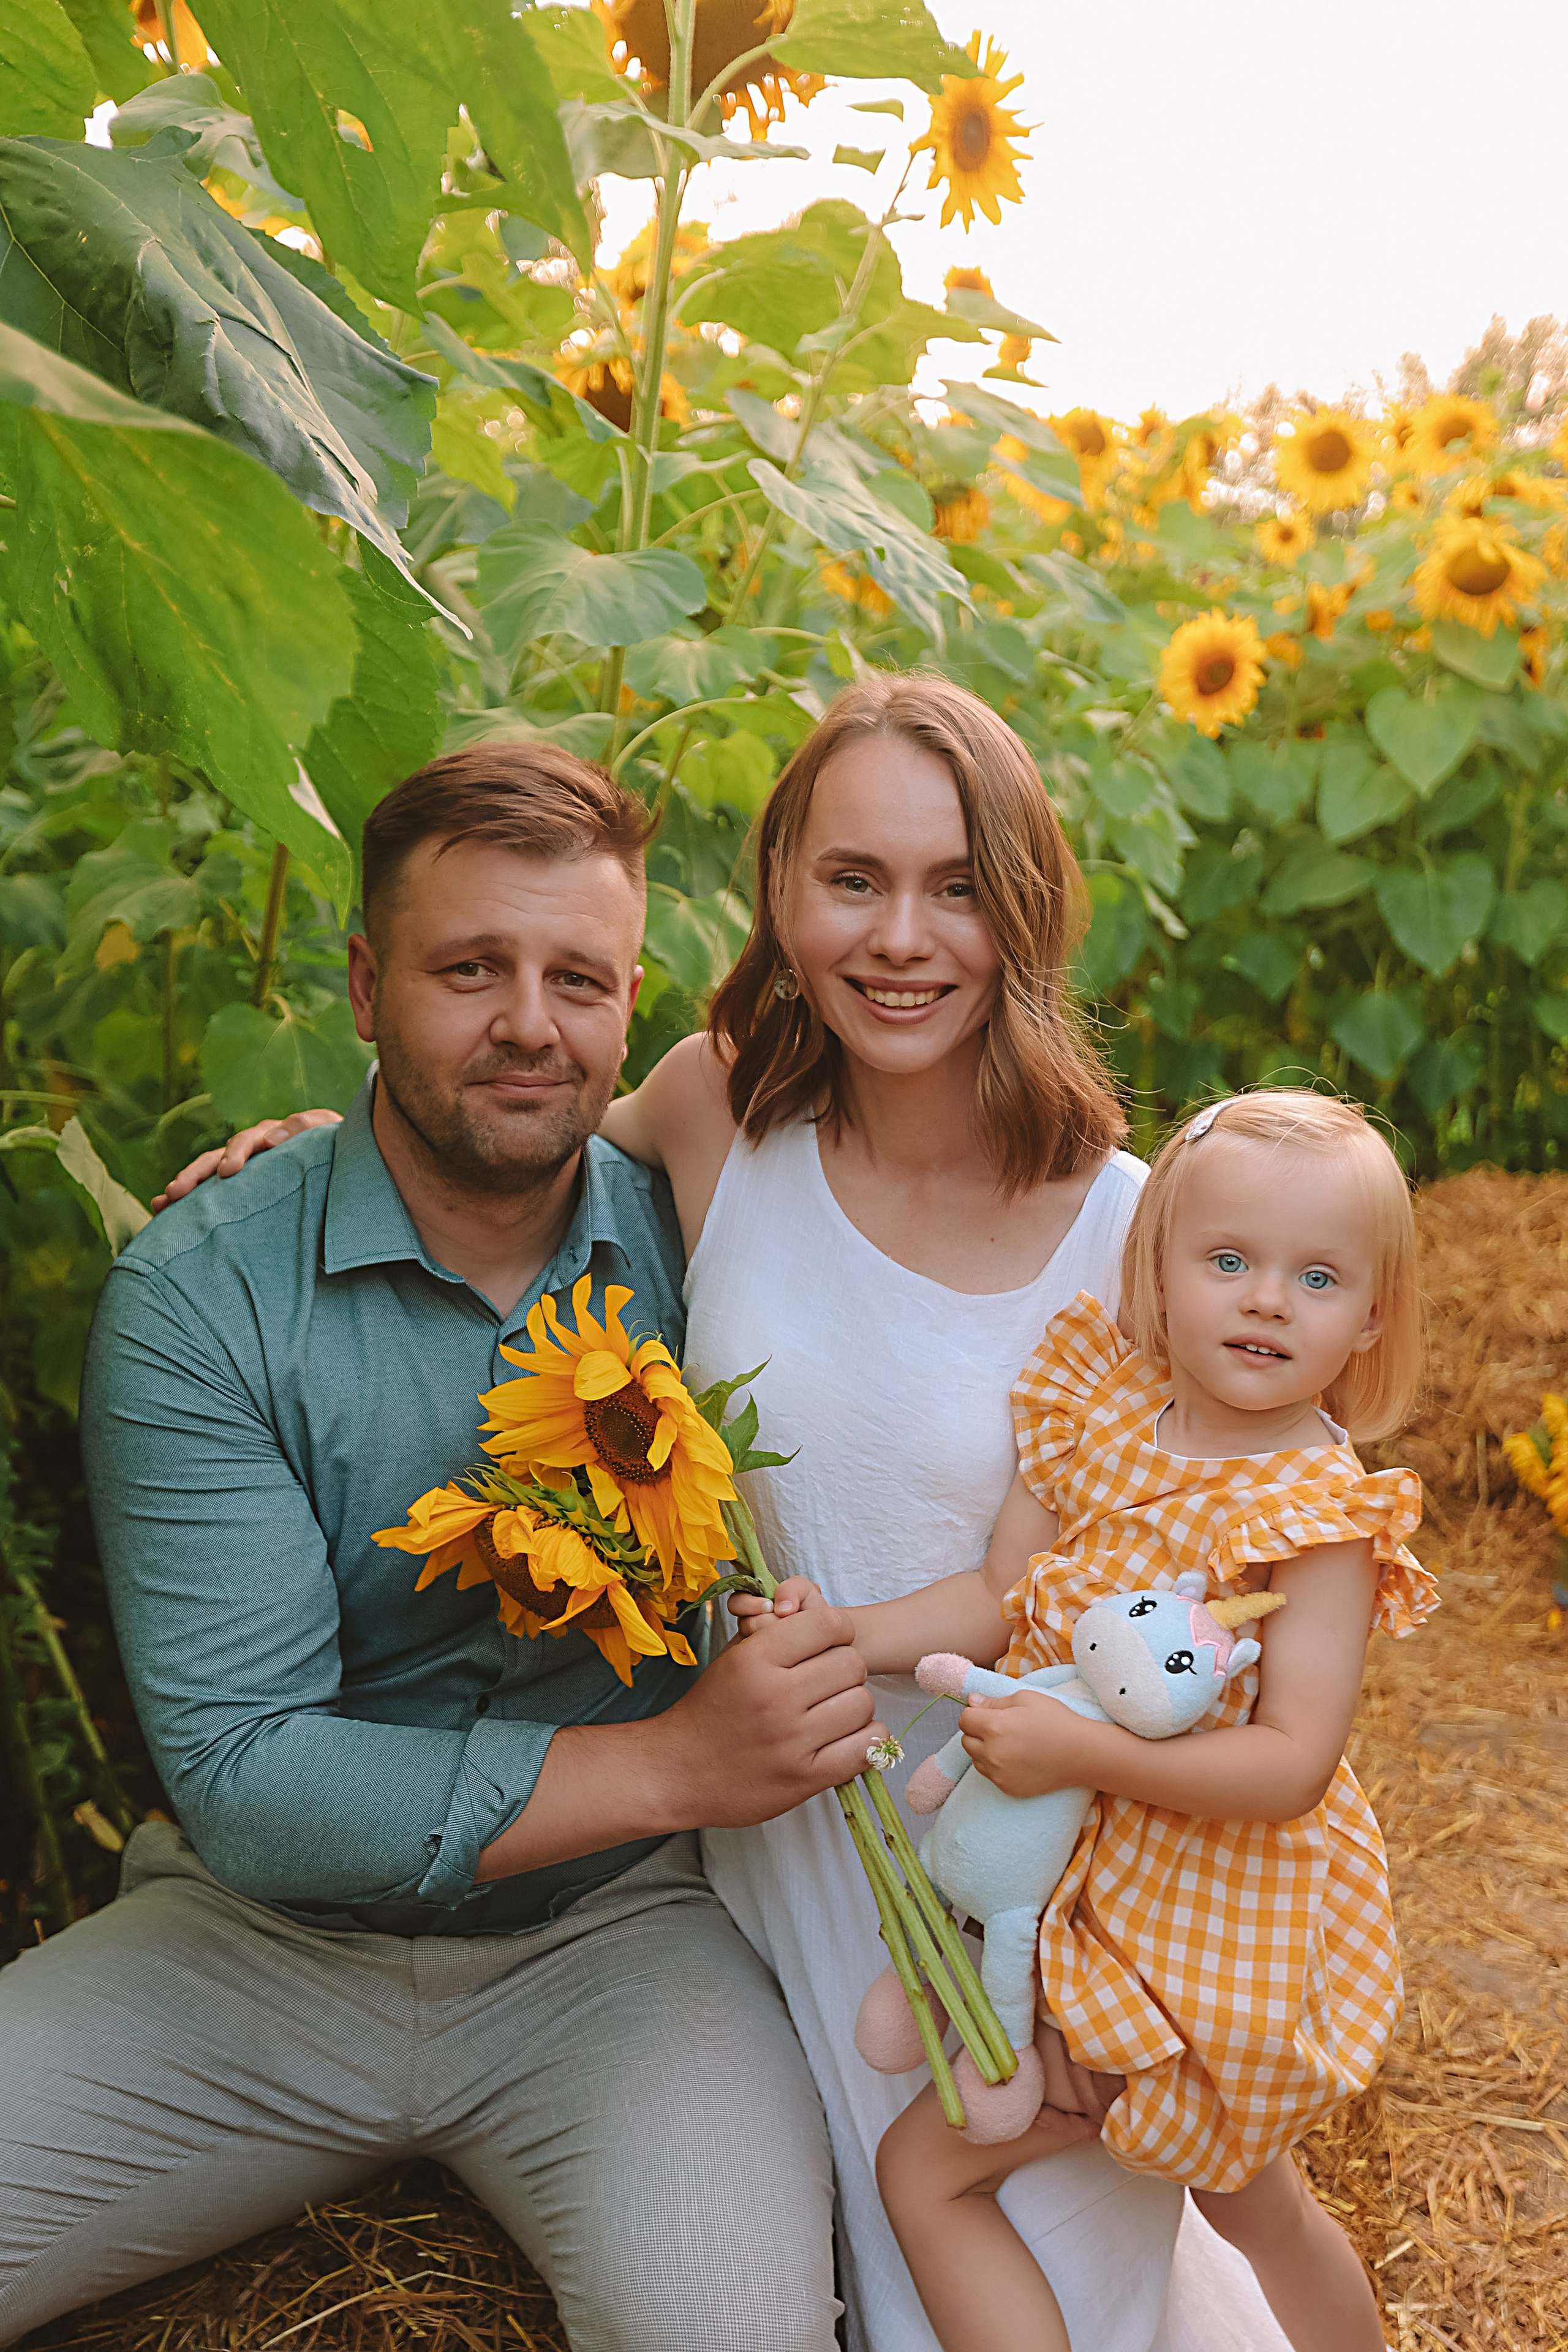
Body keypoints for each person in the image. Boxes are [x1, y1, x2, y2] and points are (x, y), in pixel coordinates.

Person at [157, 676, 1321, 2352]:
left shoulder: (1131, 1230)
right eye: (854, 880)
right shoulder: (721, 1110)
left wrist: (1113, 1957)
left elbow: (1205, 1625)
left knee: (1067, 2304)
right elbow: (508, 1162)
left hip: (1021, 1883)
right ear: (781, 892)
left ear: (1026, 906)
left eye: (957, 885)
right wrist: (311, 1153)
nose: (902, 938)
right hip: (761, 1867)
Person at [0, 745, 892, 2352]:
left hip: (623, 1953)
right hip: (252, 1958)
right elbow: (258, 1784)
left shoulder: (716, 1248)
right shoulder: (206, 1300)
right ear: (363, 986)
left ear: (632, 1004)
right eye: (468, 969)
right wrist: (688, 1767)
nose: (529, 1025)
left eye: (578, 978)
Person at [742, 1090, 1434, 2352]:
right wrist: (847, 1632)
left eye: (1316, 1277)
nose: (1266, 1299)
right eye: (1227, 1260)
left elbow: (1289, 1765)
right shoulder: (1099, 1417)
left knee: (1026, 2186)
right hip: (1068, 1909)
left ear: (1370, 1314)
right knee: (1218, 2205)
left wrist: (1082, 1751)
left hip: (1196, 1935)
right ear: (1156, 1271)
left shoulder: (1318, 1513)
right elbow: (997, 1603)